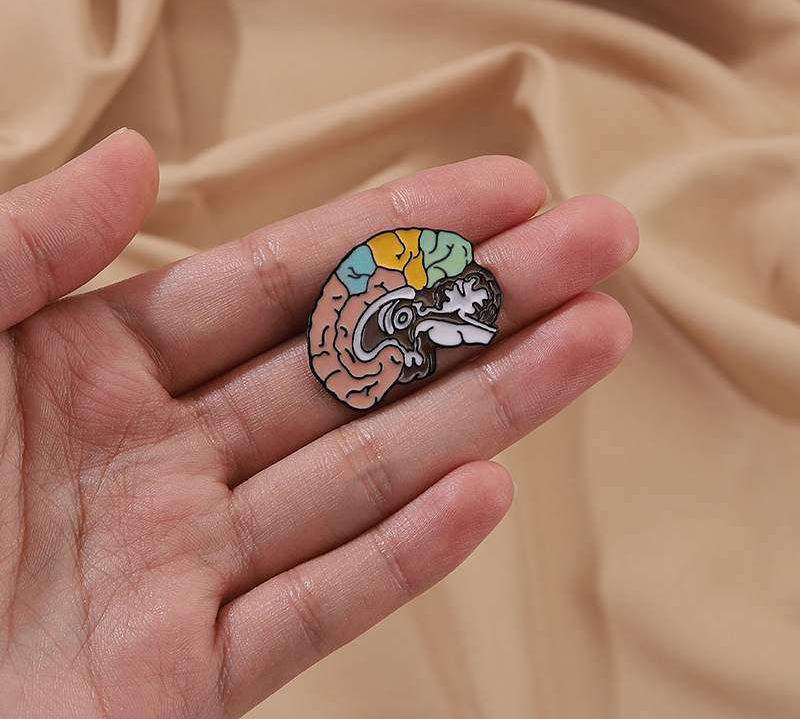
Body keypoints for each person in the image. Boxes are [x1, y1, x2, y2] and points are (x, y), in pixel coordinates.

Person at [0, 129, 637, 717]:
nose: (459, 308)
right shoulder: (400, 308)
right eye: (457, 299)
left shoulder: (424, 315)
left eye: (466, 305)